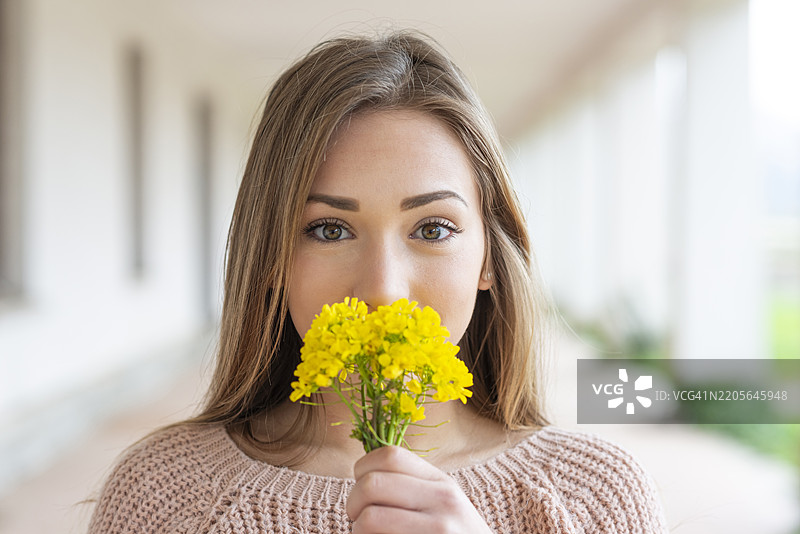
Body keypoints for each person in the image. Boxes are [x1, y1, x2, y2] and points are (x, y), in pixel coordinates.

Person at [88, 31, 668, 533]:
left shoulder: (594, 498)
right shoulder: (163, 497)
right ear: (270, 257)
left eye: (433, 228)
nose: (384, 289)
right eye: (330, 230)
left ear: (489, 255)